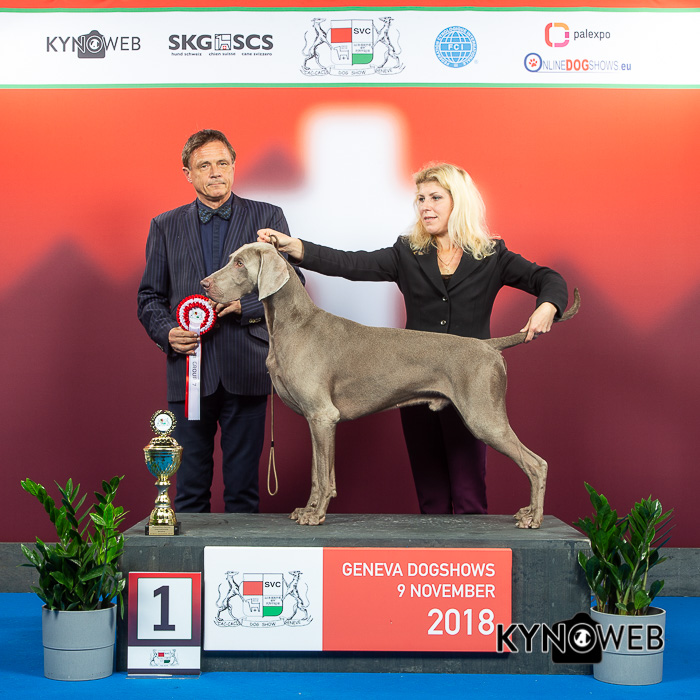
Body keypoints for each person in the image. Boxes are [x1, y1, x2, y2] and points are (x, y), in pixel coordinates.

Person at [257, 162, 568, 515]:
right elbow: (349, 263)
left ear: (459, 201)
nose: (425, 207)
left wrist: (548, 306)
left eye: (435, 198)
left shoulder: (492, 256)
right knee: (430, 498)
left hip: (468, 375)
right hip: (409, 383)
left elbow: (548, 278)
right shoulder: (407, 253)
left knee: (469, 496)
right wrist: (294, 246)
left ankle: (476, 549)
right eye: (420, 199)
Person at [137, 129, 302, 513]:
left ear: (233, 167)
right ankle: (193, 556)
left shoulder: (267, 217)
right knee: (189, 492)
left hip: (247, 369)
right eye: (205, 165)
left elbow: (292, 285)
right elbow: (149, 298)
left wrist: (245, 306)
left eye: (223, 163)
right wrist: (167, 332)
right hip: (188, 373)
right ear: (188, 173)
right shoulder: (164, 225)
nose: (215, 172)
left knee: (243, 494)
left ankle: (237, 556)